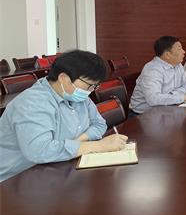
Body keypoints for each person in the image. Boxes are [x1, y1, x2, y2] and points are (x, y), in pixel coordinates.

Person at [0, 50, 128, 182]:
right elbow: (39, 151)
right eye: (89, 85)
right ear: (63, 78)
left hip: (56, 168)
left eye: (95, 86)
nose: (90, 91)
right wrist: (98, 146)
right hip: (14, 179)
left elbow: (99, 124)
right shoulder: (32, 103)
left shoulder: (78, 96)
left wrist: (79, 141)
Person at [129, 36, 186, 114]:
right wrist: (184, 97)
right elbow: (153, 99)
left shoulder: (178, 65)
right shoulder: (152, 70)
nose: (184, 51)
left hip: (168, 108)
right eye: (179, 49)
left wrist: (171, 95)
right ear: (167, 55)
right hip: (143, 115)